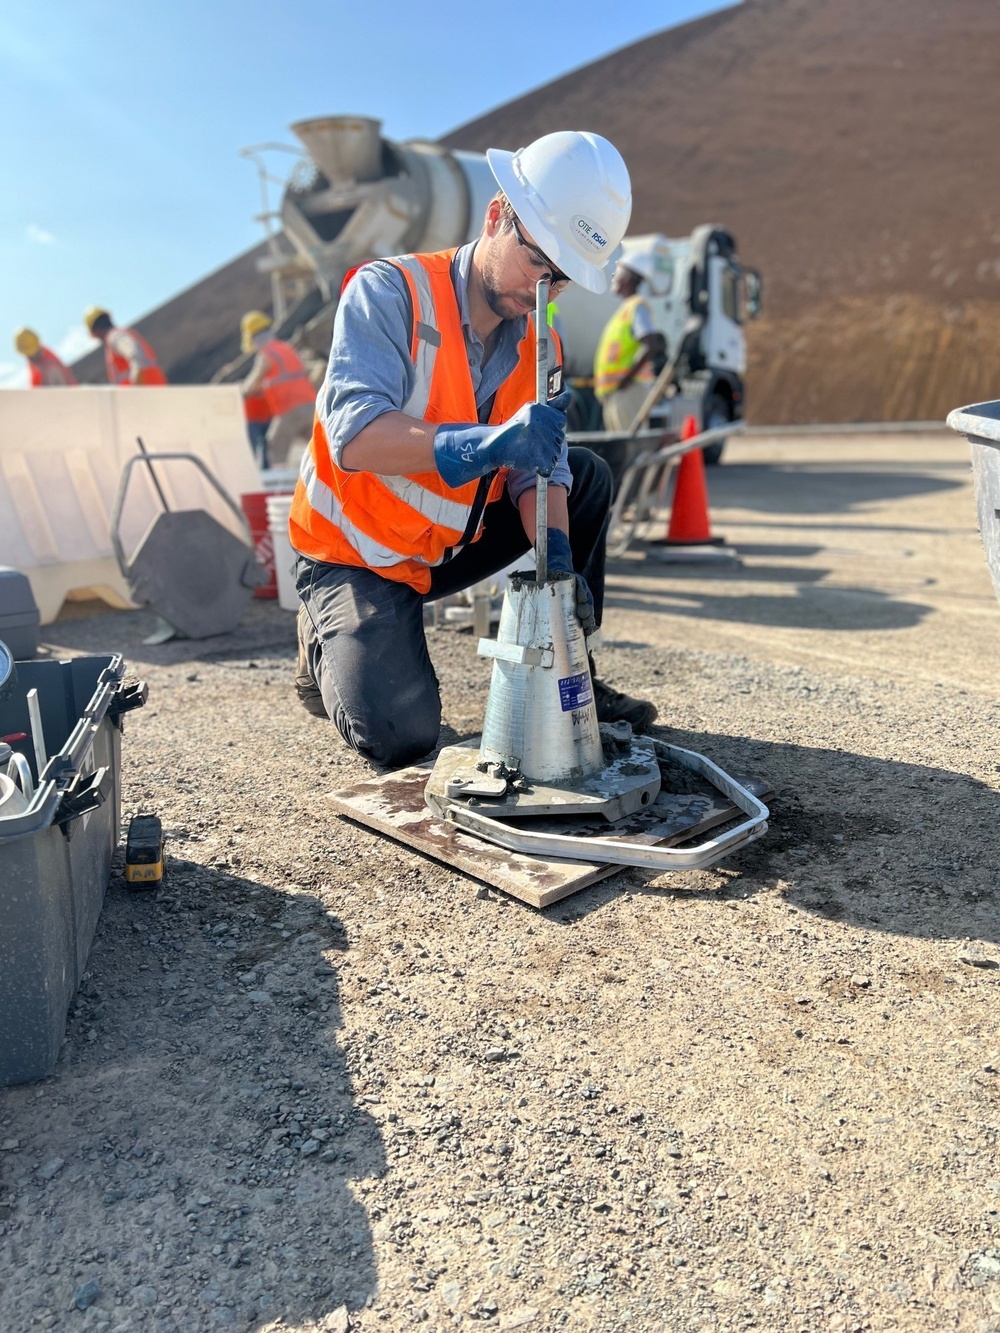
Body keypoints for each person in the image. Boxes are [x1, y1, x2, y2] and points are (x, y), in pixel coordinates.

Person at [289, 129, 658, 769]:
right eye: (538, 260)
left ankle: (570, 673)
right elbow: (354, 436)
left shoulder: (541, 341)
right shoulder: (389, 293)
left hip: (444, 546)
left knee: (586, 477)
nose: (542, 288)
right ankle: (319, 632)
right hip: (356, 553)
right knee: (401, 736)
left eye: (562, 278)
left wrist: (561, 565)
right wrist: (487, 444)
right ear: (496, 216)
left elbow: (536, 474)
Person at [593, 258, 668, 432]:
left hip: (628, 390)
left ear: (627, 278)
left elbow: (651, 345)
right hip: (616, 392)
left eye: (617, 274)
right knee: (621, 449)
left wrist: (625, 379)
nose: (613, 278)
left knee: (630, 448)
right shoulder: (626, 309)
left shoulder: (637, 307)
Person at [239, 312, 316, 470]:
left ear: (252, 337)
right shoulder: (285, 348)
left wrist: (242, 391)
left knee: (275, 446)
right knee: (317, 445)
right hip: (311, 405)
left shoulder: (266, 355)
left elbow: (251, 384)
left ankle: (279, 487)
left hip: (289, 409)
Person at [83, 308, 168, 386]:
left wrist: (137, 389)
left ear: (95, 332)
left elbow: (136, 355)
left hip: (146, 397)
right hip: (155, 394)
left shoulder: (115, 337)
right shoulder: (118, 336)